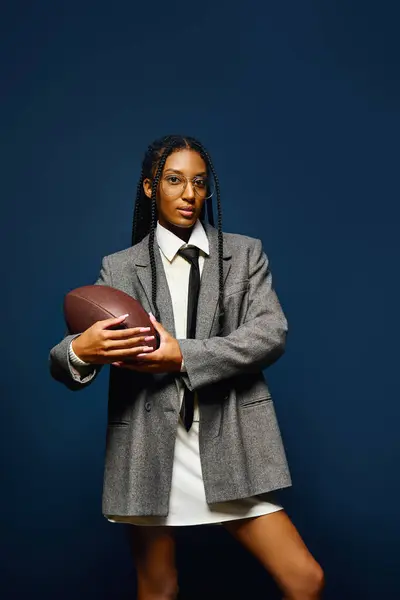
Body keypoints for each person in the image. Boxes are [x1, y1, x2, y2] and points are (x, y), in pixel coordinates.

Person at [49, 135, 324, 600]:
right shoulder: (119, 268)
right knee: (158, 587)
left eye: (199, 182)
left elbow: (270, 332)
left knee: (304, 578)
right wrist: (81, 350)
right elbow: (64, 357)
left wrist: (185, 356)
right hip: (148, 448)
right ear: (150, 188)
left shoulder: (244, 254)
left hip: (229, 441)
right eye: (174, 180)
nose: (189, 193)